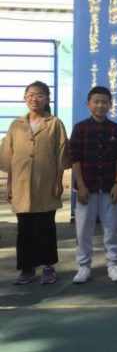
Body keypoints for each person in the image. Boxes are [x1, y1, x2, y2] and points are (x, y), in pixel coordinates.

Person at [1, 81, 69, 285]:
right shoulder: (16, 125)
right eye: (30, 95)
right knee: (24, 228)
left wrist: (58, 182)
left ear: (47, 99)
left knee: (45, 226)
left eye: (39, 95)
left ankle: (48, 266)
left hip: (46, 184)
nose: (34, 99)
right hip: (21, 184)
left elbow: (61, 154)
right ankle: (27, 268)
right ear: (24, 98)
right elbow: (9, 157)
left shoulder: (55, 123)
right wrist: (10, 184)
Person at [68, 86, 117, 284]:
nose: (100, 105)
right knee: (83, 229)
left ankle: (113, 264)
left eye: (104, 102)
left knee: (112, 228)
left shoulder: (116, 129)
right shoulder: (80, 128)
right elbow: (74, 159)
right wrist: (81, 185)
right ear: (88, 104)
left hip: (109, 187)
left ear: (110, 104)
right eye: (96, 101)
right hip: (87, 188)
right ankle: (83, 266)